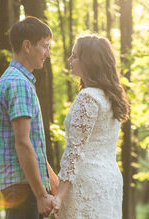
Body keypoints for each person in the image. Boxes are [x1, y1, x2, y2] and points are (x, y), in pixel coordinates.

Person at [51, 34, 129, 218]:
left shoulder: (88, 97)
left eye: (75, 56)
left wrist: (59, 195)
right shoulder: (112, 97)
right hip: (111, 180)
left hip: (86, 184)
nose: (70, 59)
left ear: (89, 61)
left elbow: (75, 151)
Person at [0, 16, 58, 218]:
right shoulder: (18, 83)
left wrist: (53, 185)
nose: (47, 53)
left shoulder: (20, 81)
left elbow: (34, 145)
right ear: (27, 46)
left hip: (26, 184)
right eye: (45, 46)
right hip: (23, 186)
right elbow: (23, 143)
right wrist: (40, 194)